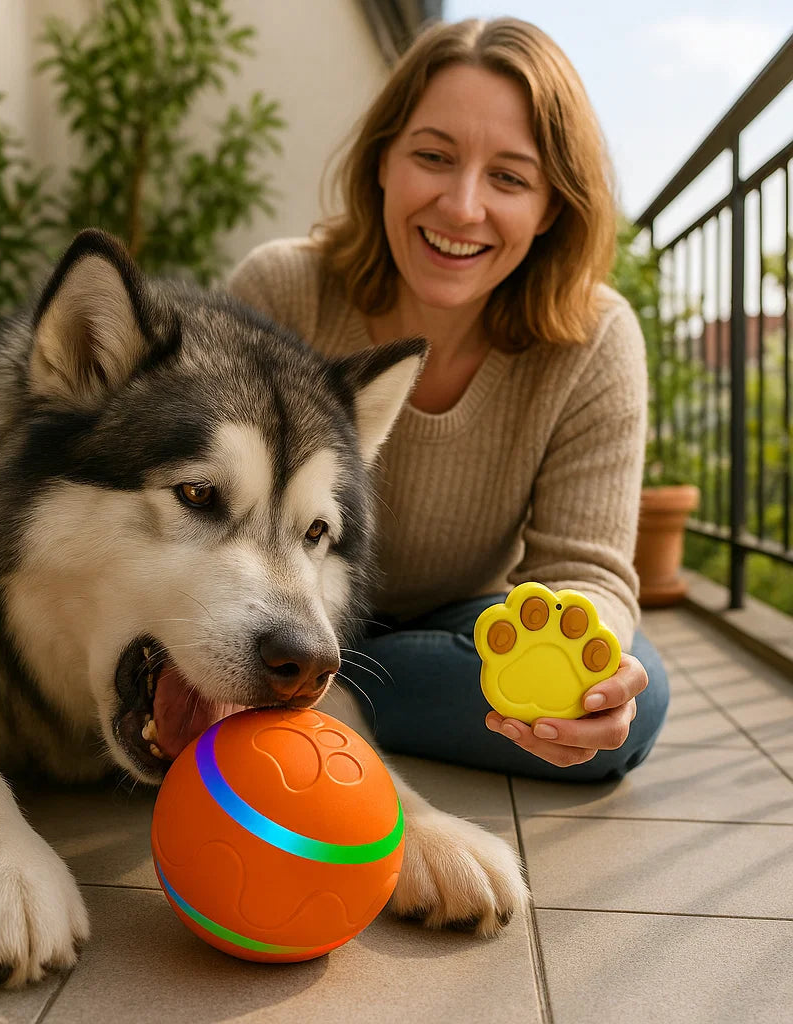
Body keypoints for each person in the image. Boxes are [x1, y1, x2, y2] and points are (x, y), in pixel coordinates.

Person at [226, 16, 669, 782]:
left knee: (639, 702)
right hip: (283, 604)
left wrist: (585, 670)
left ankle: (314, 697)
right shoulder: (279, 290)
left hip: (463, 626)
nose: (463, 207)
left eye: (509, 177)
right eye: (433, 157)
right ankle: (315, 687)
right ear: (382, 164)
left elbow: (584, 573)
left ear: (552, 208)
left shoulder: (596, 340)